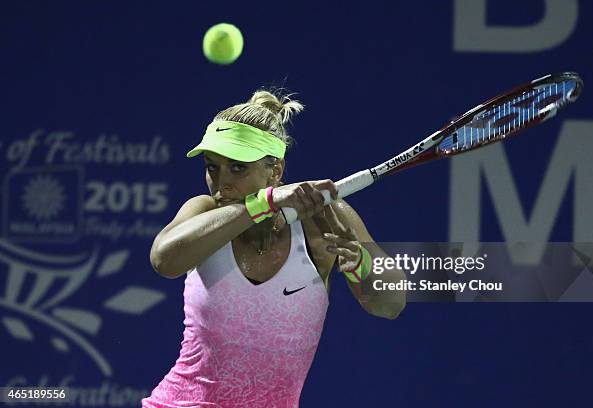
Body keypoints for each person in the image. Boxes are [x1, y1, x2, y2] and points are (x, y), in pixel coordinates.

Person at [141, 89, 407, 407]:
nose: (221, 183)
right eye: (213, 168)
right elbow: (163, 260)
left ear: (276, 171)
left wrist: (361, 262)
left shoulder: (324, 217)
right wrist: (264, 202)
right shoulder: (203, 212)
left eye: (238, 168)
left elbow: (390, 305)